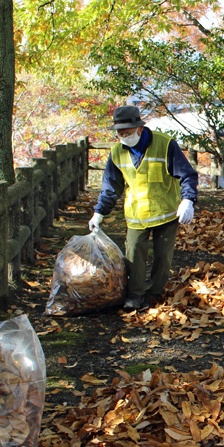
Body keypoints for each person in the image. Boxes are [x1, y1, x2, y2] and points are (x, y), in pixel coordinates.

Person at [89, 105, 199, 311]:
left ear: (140, 128)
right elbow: (111, 187)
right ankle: (135, 294)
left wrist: (188, 200)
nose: (124, 137)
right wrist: (99, 212)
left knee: (162, 257)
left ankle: (153, 293)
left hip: (166, 213)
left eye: (128, 133)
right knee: (133, 255)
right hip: (136, 214)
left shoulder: (165, 145)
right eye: (120, 134)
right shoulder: (117, 153)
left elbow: (187, 175)